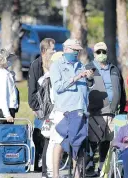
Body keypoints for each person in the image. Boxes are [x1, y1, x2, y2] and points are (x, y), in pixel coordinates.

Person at [49, 39, 93, 178]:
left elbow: (87, 86)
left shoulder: (80, 65)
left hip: (80, 110)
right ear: (66, 49)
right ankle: (55, 174)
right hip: (64, 111)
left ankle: (77, 174)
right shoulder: (57, 66)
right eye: (75, 50)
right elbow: (58, 87)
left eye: (78, 50)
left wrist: (89, 78)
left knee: (78, 142)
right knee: (59, 142)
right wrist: (75, 77)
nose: (77, 52)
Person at [85, 42, 126, 176]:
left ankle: (102, 166)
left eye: (103, 52)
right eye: (98, 52)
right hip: (96, 110)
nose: (101, 54)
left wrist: (122, 107)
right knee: (94, 140)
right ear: (94, 53)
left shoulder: (114, 68)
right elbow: (84, 88)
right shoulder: (89, 68)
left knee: (107, 140)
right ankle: (89, 166)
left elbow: (121, 88)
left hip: (112, 110)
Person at [28, 38, 56, 175]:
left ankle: (46, 168)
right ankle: (36, 162)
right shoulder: (36, 65)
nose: (54, 51)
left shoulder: (55, 63)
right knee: (39, 136)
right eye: (52, 49)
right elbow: (32, 88)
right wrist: (34, 107)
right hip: (40, 108)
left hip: (53, 108)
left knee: (49, 138)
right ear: (44, 50)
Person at [0, 49, 19, 123]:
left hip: (4, 107)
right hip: (5, 108)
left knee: (4, 131)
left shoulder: (0, 71)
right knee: (6, 132)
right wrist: (7, 114)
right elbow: (3, 95)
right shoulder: (3, 75)